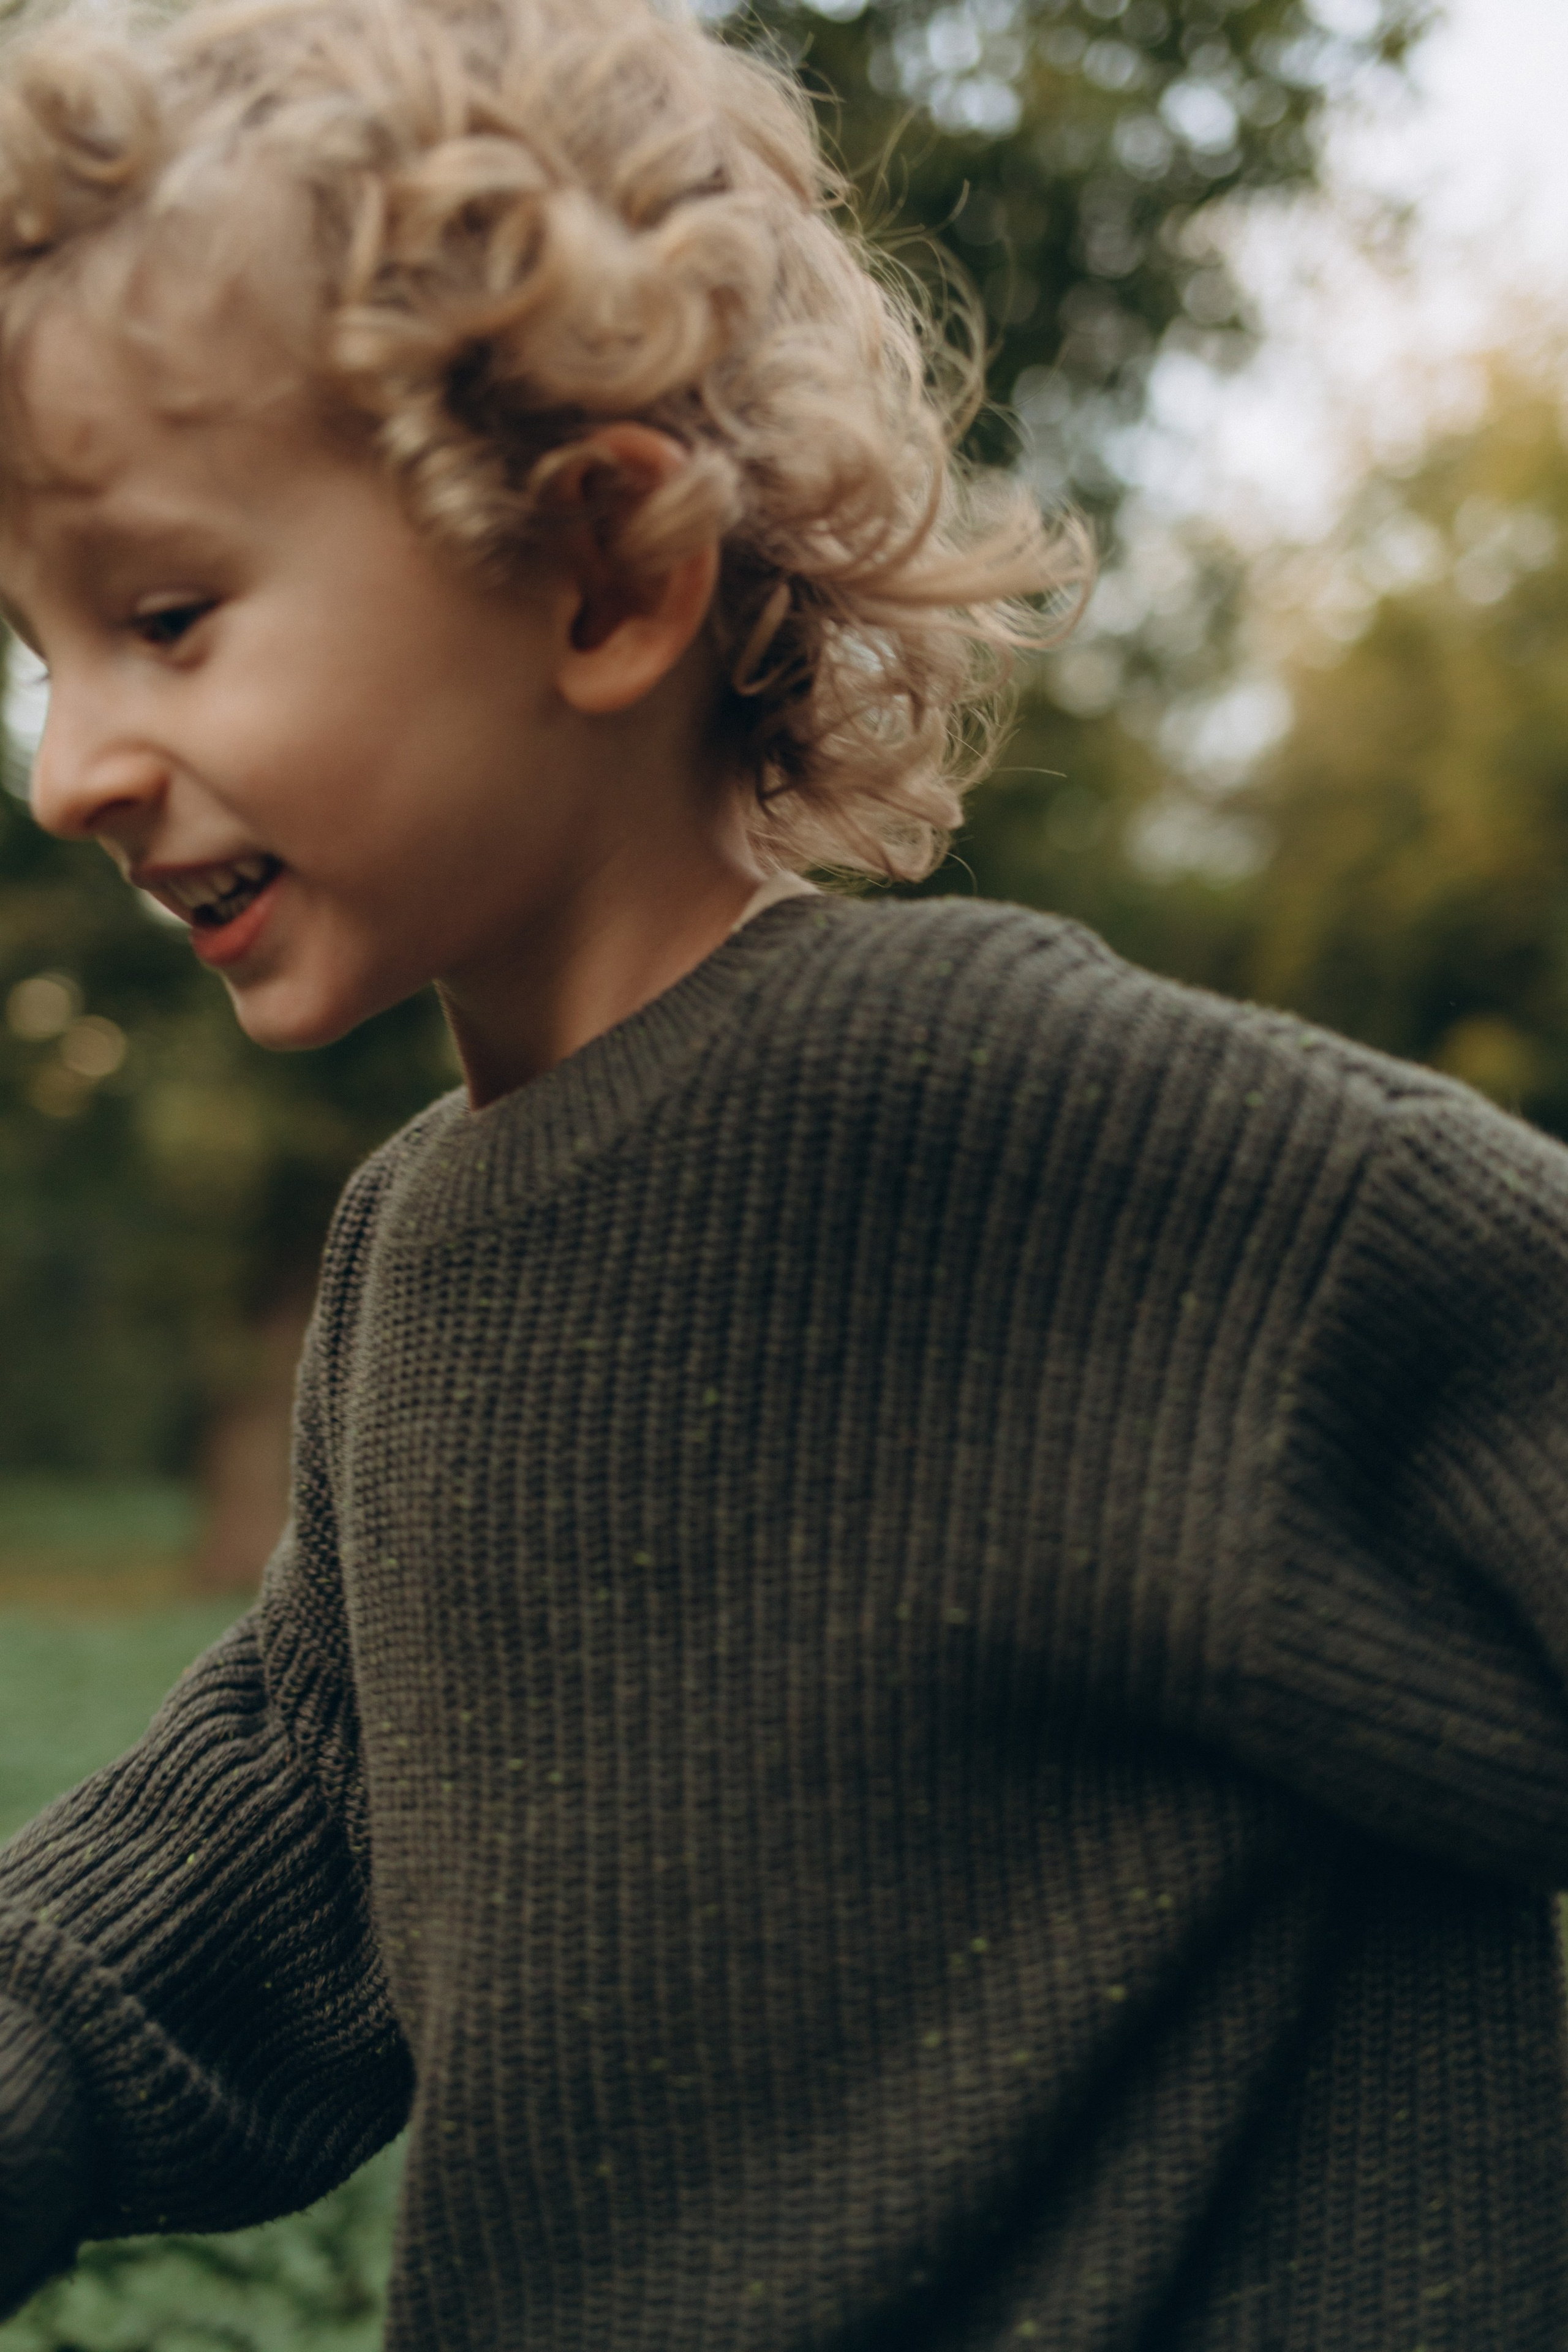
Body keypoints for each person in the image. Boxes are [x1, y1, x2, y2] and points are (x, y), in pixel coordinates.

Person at [0, 0, 1566, 2344]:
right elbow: (311, 1829)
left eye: (164, 619)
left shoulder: (1068, 1152)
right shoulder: (421, 1248)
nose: (71, 767)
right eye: (37, 651)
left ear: (609, 568)